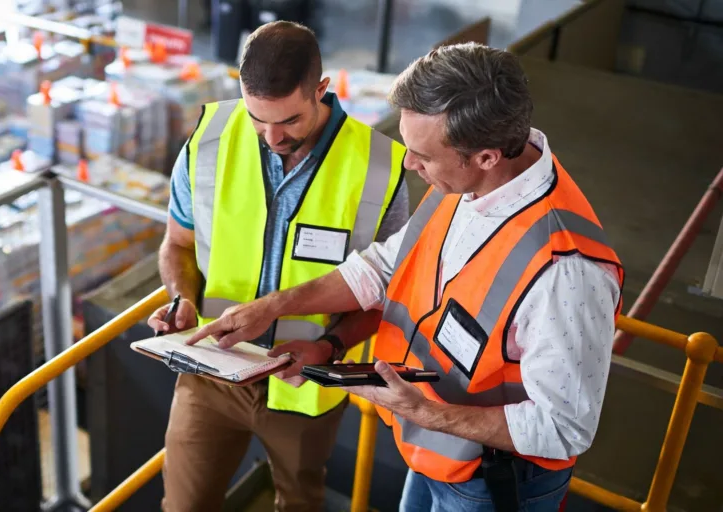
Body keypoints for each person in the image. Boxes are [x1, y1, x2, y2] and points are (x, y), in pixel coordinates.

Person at [188, 43, 624, 511]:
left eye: (423, 155)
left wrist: (424, 411)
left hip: (493, 484)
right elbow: (382, 267)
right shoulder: (466, 183)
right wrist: (276, 307)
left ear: (487, 157)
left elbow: (563, 429)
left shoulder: (567, 272)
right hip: (433, 453)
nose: (409, 164)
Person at [147, 21, 410, 512]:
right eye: (256, 118)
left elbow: (391, 294)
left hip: (304, 388)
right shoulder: (208, 140)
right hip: (210, 371)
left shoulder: (380, 168)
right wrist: (181, 299)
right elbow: (177, 244)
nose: (271, 136)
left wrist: (329, 346)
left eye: (288, 120)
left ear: (321, 90)